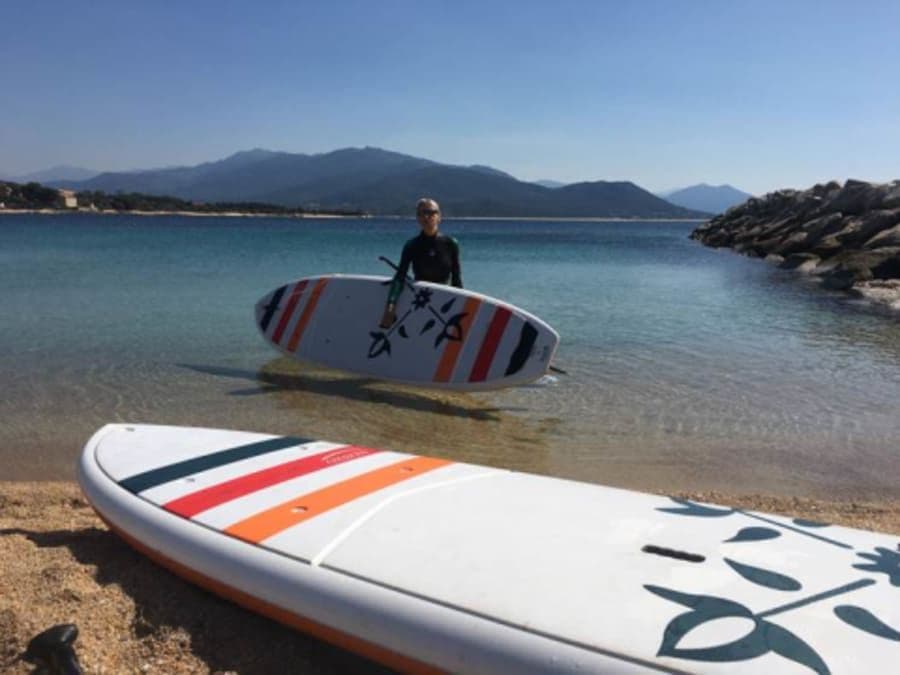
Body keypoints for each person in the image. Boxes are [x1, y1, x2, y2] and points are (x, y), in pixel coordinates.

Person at [379, 198, 462, 327]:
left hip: (444, 298)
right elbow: (400, 278)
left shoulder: (451, 244)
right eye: (421, 213)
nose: (426, 217)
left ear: (439, 216)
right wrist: (390, 306)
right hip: (419, 299)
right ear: (417, 218)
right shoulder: (412, 245)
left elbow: (457, 280)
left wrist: (460, 306)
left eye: (431, 212)